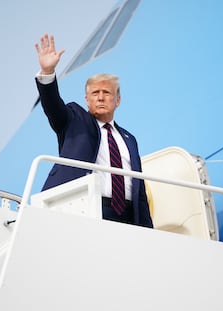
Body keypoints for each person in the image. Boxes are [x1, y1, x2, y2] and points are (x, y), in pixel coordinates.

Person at [34, 34, 153, 228]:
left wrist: (149, 230)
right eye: (94, 93)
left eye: (106, 93)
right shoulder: (74, 119)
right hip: (88, 207)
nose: (100, 98)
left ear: (117, 101)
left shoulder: (129, 139)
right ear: (86, 100)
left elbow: (139, 189)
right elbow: (52, 105)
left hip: (129, 216)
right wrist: (48, 72)